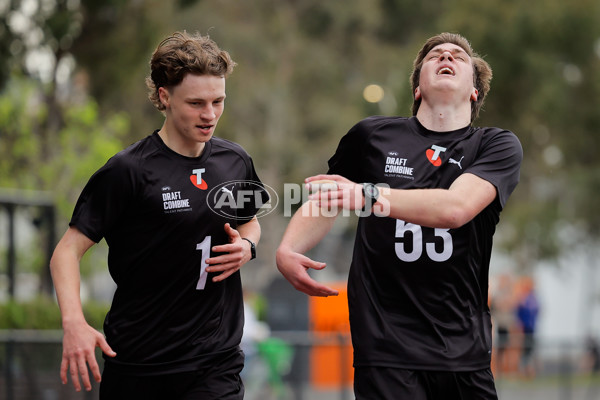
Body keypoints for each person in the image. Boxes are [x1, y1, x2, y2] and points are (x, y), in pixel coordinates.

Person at [276, 32, 522, 399]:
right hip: (385, 345)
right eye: (435, 54)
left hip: (461, 348)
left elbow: (455, 209)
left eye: (458, 55)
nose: (446, 56)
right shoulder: (372, 136)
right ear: (417, 88)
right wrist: (289, 247)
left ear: (474, 90)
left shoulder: (495, 145)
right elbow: (329, 198)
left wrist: (369, 194)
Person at [49, 31, 268, 399]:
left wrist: (247, 245)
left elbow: (250, 220)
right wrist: (73, 323)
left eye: (218, 101)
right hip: (140, 364)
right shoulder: (128, 171)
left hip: (214, 362)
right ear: (164, 97)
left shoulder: (235, 161)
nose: (210, 114)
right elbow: (65, 253)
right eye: (196, 103)